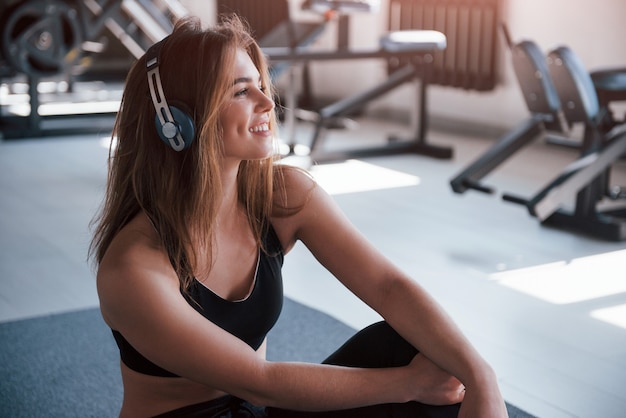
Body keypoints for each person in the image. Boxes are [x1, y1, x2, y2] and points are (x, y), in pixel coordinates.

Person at [89, 14, 508, 418]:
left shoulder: (282, 196)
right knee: (414, 375)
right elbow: (260, 380)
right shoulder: (133, 269)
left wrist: (481, 374)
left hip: (256, 410)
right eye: (240, 92)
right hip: (214, 406)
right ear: (175, 123)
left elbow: (388, 286)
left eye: (260, 85)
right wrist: (409, 385)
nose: (268, 102)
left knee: (409, 345)